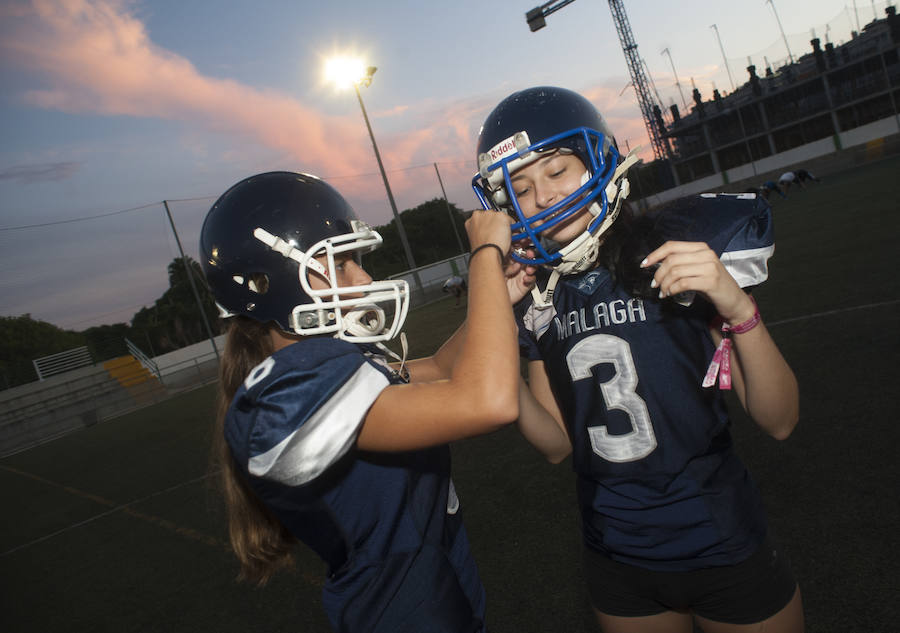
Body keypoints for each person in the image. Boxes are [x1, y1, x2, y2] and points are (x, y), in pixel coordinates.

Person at [471, 87, 803, 632]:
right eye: (521, 188)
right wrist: (502, 350)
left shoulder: (674, 247)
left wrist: (737, 305)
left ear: (598, 158)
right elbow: (556, 445)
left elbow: (780, 419)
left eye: (556, 170)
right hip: (618, 560)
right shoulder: (535, 297)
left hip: (723, 540)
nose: (542, 197)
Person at [201, 171, 519, 633]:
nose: (364, 276)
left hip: (432, 589)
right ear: (271, 280)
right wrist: (486, 255)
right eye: (343, 262)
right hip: (400, 610)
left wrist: (500, 296)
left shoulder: (328, 363)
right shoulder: (285, 393)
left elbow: (445, 368)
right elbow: (489, 401)